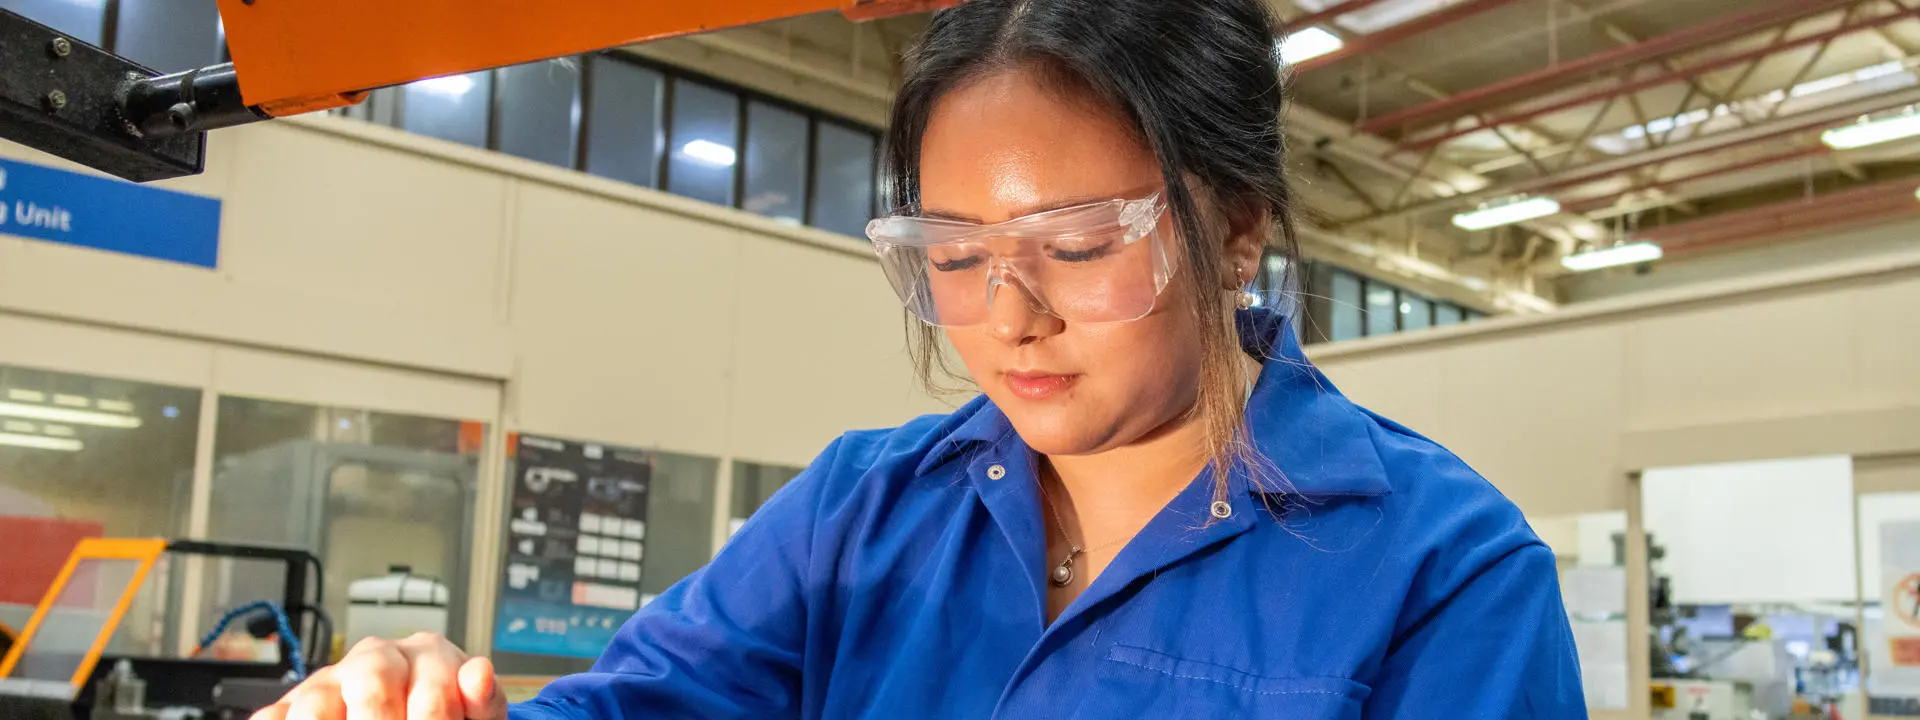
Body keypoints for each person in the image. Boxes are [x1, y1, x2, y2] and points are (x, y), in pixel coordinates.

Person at [256, 0, 1585, 717]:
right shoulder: (860, 515)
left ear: (1237, 231)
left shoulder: (1444, 578)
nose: (1009, 317)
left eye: (1075, 245)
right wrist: (430, 706)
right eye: (951, 253)